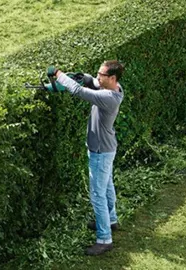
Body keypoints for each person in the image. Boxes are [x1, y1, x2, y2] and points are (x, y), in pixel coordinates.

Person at [47, 60, 125, 256]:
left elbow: (80, 92)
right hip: (107, 147)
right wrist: (86, 78)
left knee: (97, 194)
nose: (98, 77)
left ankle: (104, 239)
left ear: (112, 78)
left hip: (100, 151)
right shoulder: (116, 88)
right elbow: (94, 84)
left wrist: (58, 74)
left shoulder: (108, 97)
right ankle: (111, 219)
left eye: (101, 74)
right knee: (107, 186)